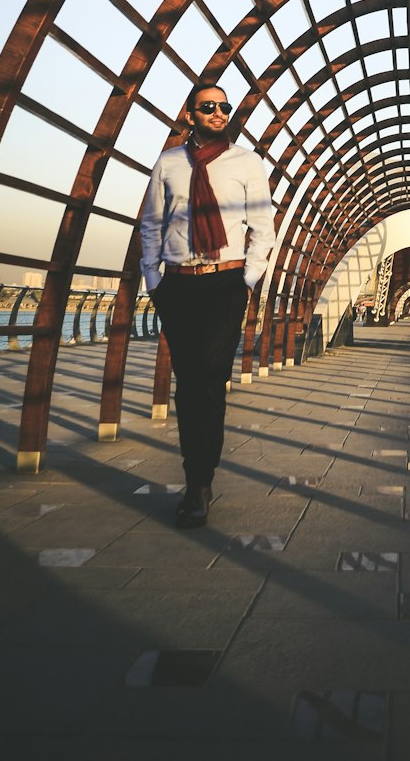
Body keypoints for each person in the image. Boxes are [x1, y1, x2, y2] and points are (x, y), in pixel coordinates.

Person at [139, 82, 275, 528]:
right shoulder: (169, 163)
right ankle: (195, 476)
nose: (218, 113)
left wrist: (247, 280)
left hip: (224, 285)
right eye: (208, 107)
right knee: (188, 381)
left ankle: (199, 481)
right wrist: (154, 280)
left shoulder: (245, 163)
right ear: (190, 114)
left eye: (224, 107)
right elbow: (152, 224)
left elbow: (262, 227)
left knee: (208, 378)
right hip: (178, 284)